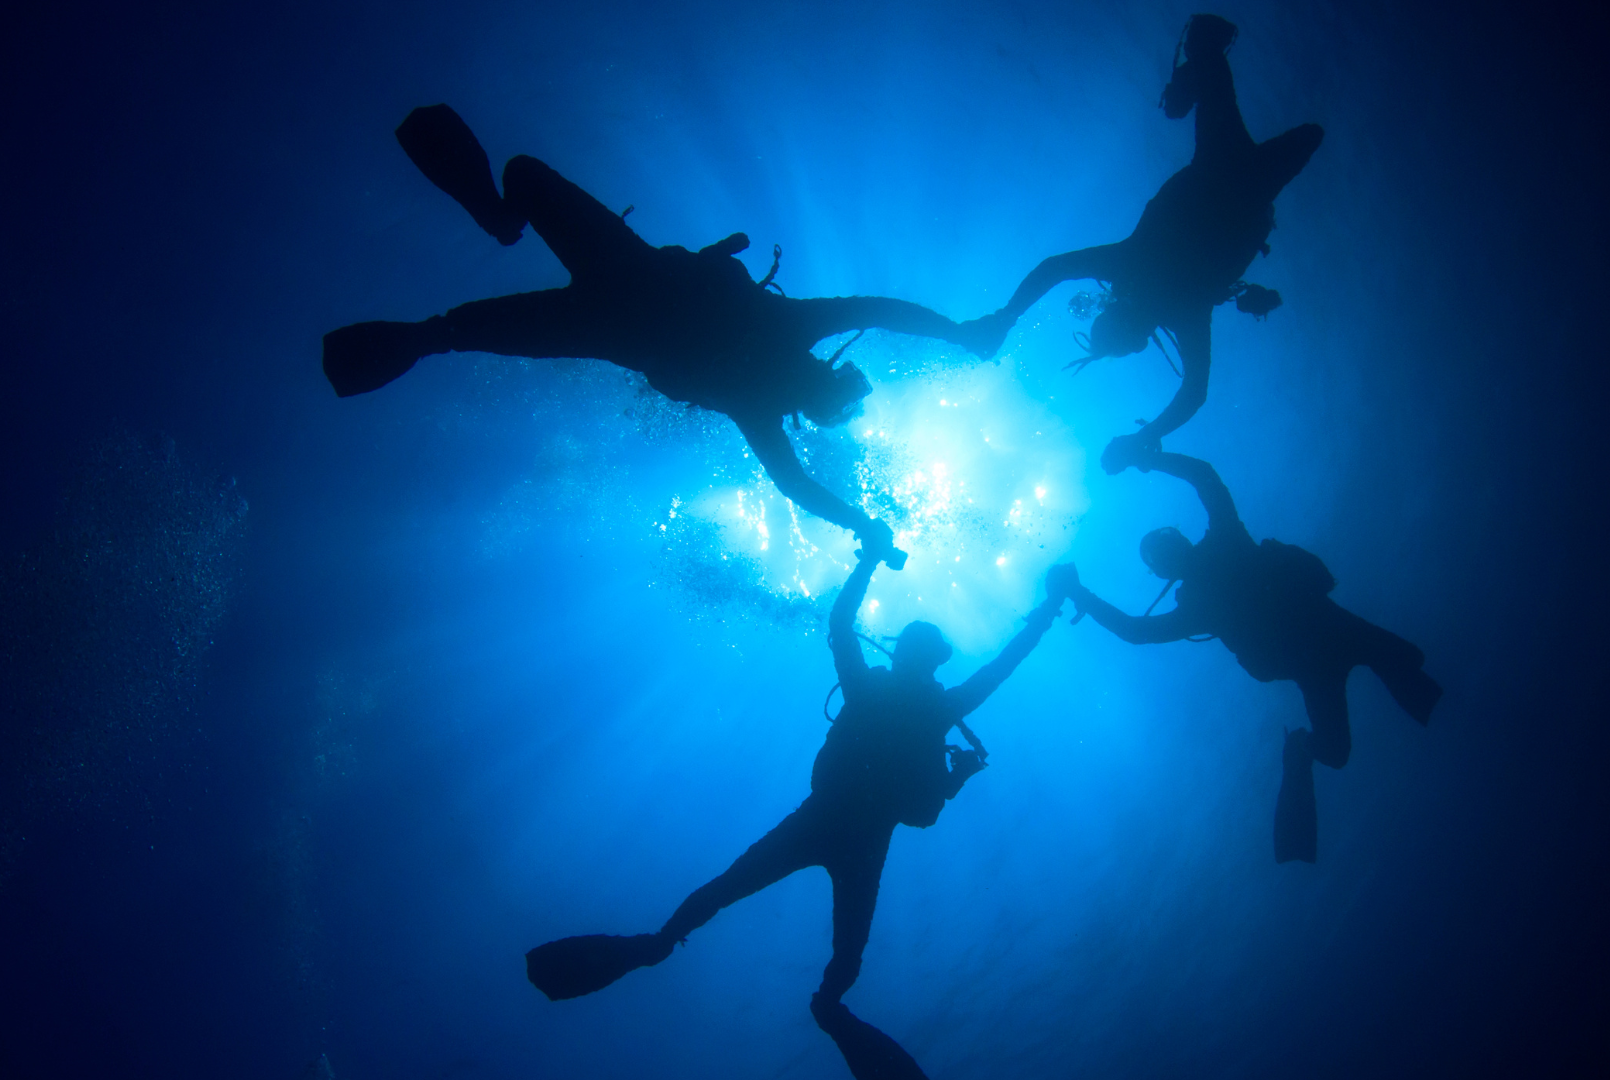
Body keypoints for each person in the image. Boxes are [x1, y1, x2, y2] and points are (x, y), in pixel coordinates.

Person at [323, 106, 999, 566]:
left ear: (814, 397)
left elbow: (802, 476)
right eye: (824, 382)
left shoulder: (764, 397)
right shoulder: (789, 338)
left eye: (820, 391)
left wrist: (865, 524)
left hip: (604, 313)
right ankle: (498, 225)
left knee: (451, 327)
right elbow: (879, 311)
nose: (814, 381)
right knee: (521, 179)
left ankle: (463, 272)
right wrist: (958, 333)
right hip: (617, 272)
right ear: (824, 376)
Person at [524, 551, 1075, 1080]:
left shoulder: (875, 690)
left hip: (823, 822)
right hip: (860, 836)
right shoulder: (938, 706)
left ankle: (666, 946)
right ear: (930, 661)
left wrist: (868, 561)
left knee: (732, 894)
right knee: (835, 950)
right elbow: (1005, 661)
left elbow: (842, 622)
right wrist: (1050, 607)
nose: (918, 663)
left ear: (907, 654)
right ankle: (825, 1005)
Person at [964, 14, 1323, 475]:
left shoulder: (1157, 289)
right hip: (1231, 173)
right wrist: (1005, 318)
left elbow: (1054, 268)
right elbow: (1054, 268)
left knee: (1304, 129)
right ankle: (1196, 68)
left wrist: (1005, 318)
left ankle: (1194, 69)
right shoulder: (1171, 301)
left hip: (1231, 174)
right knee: (1305, 129)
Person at [1064, 445, 1440, 863]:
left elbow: (1137, 629)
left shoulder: (1221, 549)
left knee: (1408, 661)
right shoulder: (1207, 585)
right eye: (1163, 553)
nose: (1170, 553)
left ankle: (1313, 745)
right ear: (1167, 566)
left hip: (1330, 639)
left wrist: (1080, 592)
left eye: (1165, 547)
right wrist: (1143, 457)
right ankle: (1299, 750)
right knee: (1338, 749)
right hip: (1320, 657)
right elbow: (1137, 629)